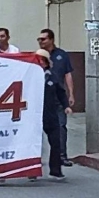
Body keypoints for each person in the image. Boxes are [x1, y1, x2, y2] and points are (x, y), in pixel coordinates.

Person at [38, 28, 74, 167]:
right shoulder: (38, 56)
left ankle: (61, 156)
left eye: (43, 39)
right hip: (41, 101)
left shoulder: (62, 55)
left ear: (51, 39)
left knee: (60, 127)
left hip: (58, 99)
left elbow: (67, 74)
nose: (40, 41)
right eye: (39, 39)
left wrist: (70, 94)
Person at [36, 49, 72, 179]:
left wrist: (66, 106)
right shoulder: (31, 77)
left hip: (50, 114)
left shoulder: (52, 76)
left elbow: (61, 93)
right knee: (34, 144)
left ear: (46, 62)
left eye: (41, 59)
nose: (39, 62)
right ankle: (32, 169)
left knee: (56, 142)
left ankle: (55, 170)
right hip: (35, 116)